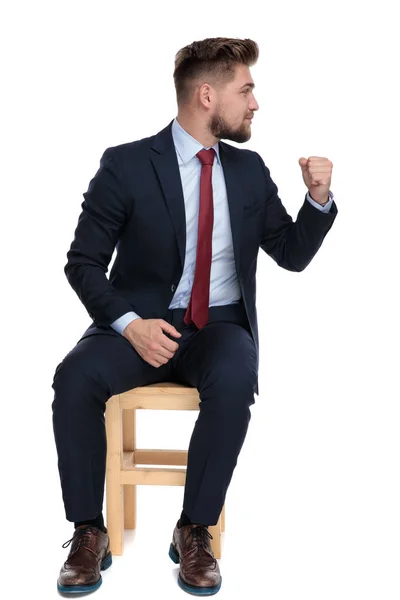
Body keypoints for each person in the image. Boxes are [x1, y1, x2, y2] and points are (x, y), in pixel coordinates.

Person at [51, 36, 338, 596]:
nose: (255, 103)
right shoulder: (127, 164)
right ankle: (88, 531)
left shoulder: (250, 171)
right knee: (75, 377)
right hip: (140, 327)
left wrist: (319, 201)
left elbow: (292, 254)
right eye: (246, 89)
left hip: (218, 329)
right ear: (207, 95)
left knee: (236, 375)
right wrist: (129, 323)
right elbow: (82, 263)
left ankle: (194, 528)